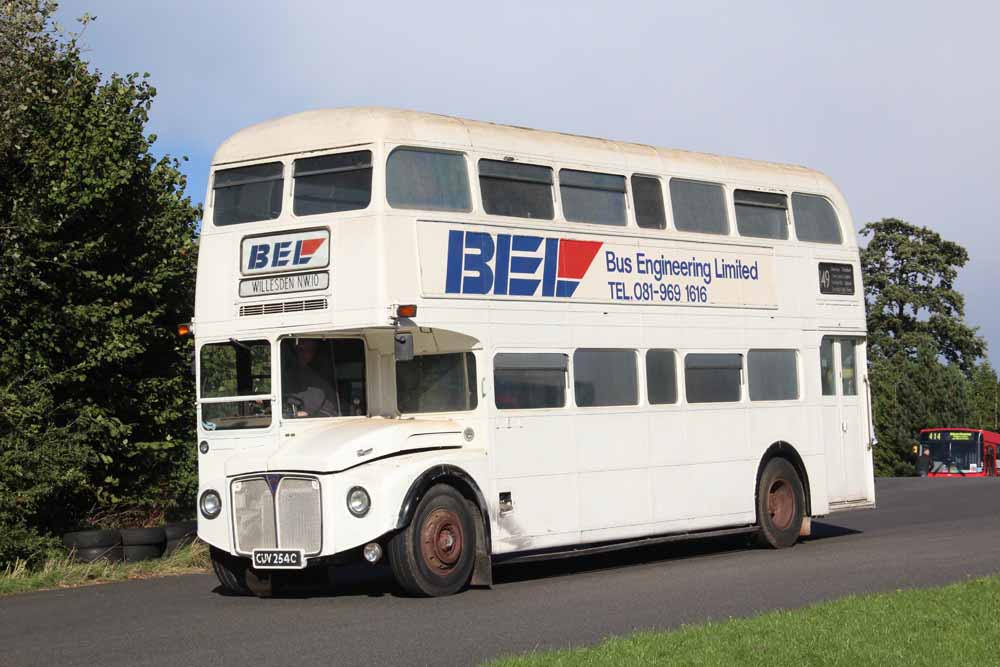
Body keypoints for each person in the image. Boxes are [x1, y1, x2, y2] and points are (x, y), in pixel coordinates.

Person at [282, 339, 338, 418]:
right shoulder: (290, 374)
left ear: (314, 353)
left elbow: (305, 412)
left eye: (308, 350)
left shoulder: (317, 381)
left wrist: (291, 414)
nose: (302, 354)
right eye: (299, 349)